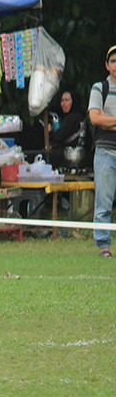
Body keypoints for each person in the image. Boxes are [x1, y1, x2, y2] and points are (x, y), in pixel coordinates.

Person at [88, 44, 116, 258]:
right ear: (107, 65)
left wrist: (109, 121)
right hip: (105, 151)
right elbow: (95, 118)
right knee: (104, 201)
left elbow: (102, 118)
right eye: (113, 61)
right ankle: (103, 245)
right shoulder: (99, 88)